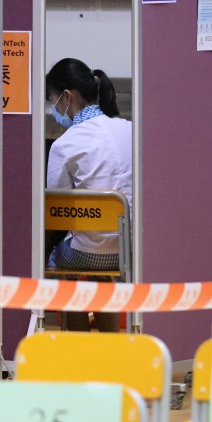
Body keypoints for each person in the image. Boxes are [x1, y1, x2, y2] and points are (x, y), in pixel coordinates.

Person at [45, 58, 132, 332]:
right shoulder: (129, 130)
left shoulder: (65, 144)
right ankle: (109, 340)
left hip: (87, 254)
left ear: (68, 97)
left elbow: (54, 210)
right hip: (131, 251)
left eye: (53, 99)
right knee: (99, 272)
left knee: (62, 264)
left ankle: (78, 346)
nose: (54, 108)